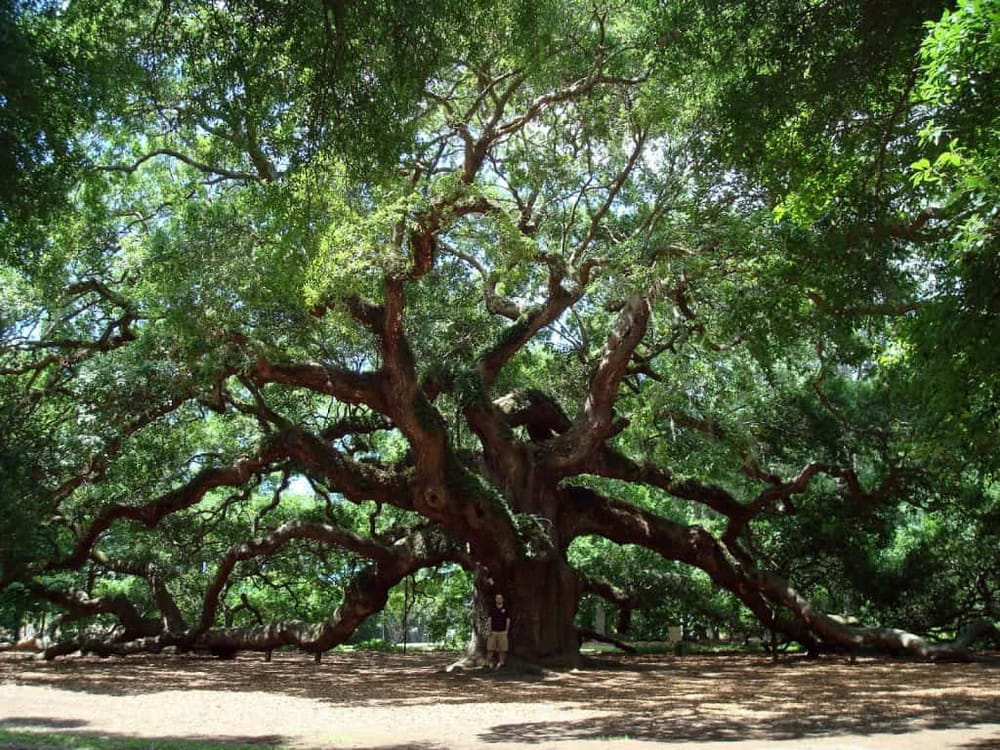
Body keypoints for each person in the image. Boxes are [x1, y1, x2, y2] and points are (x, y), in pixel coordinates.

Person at [485, 593, 511, 669]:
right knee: (490, 648)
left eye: (500, 598)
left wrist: (506, 630)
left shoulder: (506, 609)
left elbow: (508, 620)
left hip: (502, 631)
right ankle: (487, 664)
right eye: (497, 598)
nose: (499, 599)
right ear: (495, 599)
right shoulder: (492, 608)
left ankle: (501, 663)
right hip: (493, 631)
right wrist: (489, 630)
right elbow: (489, 620)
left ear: (502, 599)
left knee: (502, 649)